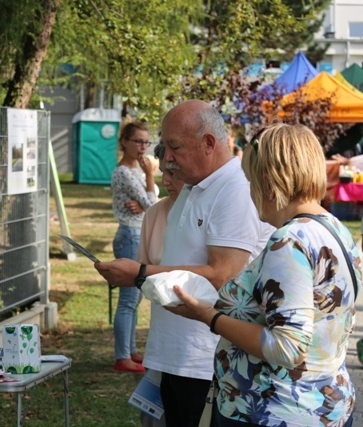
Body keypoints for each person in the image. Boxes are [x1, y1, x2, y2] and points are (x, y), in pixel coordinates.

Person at [167, 123, 359, 427]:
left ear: (268, 183)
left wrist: (208, 317)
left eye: (250, 180)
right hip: (325, 405)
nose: (250, 192)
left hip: (274, 411)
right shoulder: (334, 228)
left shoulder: (289, 241)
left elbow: (288, 347)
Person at [95, 100, 273, 426]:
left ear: (208, 143)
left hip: (206, 363)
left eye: (174, 146)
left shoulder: (235, 189)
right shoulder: (191, 188)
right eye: (165, 146)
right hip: (175, 357)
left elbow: (223, 275)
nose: (168, 157)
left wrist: (141, 274)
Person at [136, 143, 185, 426]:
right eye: (163, 171)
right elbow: (142, 273)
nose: (165, 180)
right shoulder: (155, 213)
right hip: (161, 345)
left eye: (174, 173)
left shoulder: (210, 212)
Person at [111, 121, 158, 372]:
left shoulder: (136, 171)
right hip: (130, 235)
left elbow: (151, 200)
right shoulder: (125, 172)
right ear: (125, 142)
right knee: (128, 298)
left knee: (136, 296)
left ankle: (130, 349)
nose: (143, 147)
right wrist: (151, 176)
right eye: (138, 141)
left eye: (146, 142)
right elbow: (153, 201)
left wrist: (145, 201)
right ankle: (122, 357)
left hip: (138, 232)